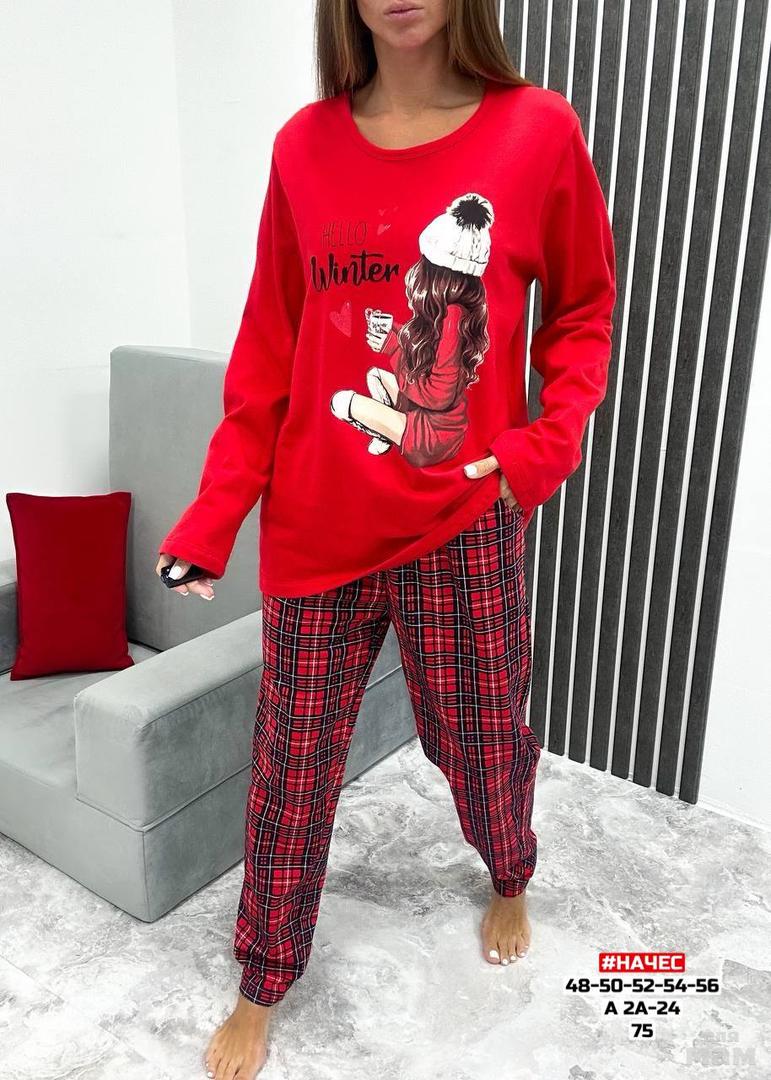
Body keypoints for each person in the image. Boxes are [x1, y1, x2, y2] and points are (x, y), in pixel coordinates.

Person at [155, 2, 616, 1077]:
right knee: (293, 772)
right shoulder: (304, 147)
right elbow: (268, 346)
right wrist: (216, 512)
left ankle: (509, 871)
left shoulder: (537, 131)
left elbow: (582, 311)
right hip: (318, 527)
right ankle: (262, 978)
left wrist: (540, 448)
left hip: (461, 520)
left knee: (482, 741)